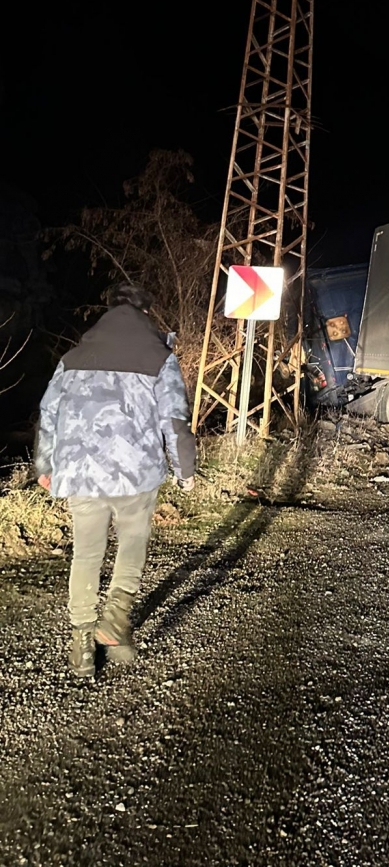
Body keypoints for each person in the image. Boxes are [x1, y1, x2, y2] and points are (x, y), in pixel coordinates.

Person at [34, 283, 196, 681]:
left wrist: (45, 464)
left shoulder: (73, 358)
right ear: (146, 314)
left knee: (86, 554)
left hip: (80, 473)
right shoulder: (160, 357)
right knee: (132, 546)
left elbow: (47, 413)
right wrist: (184, 471)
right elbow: (174, 422)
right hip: (135, 475)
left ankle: (81, 647)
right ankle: (115, 621)